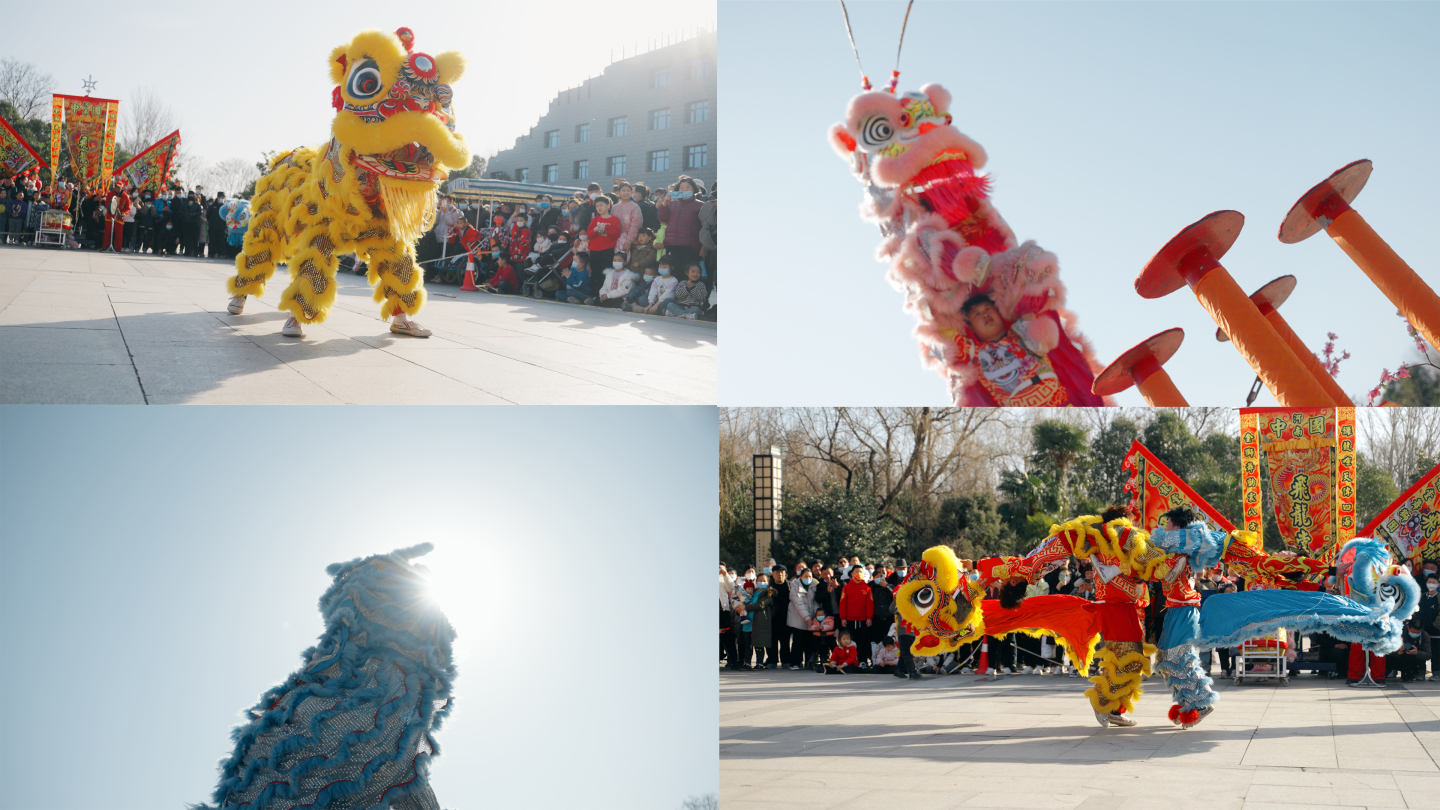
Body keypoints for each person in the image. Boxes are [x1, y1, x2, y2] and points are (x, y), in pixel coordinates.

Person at [950, 293, 1069, 407]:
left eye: (988, 309)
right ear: (971, 327)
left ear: (998, 312)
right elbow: (944, 331)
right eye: (977, 314)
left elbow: (1026, 294)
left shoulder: (1021, 329)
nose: (985, 315)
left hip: (1059, 400)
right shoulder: (972, 353)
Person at [657, 176, 704, 274]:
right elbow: (663, 219)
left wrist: (704, 246)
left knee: (688, 274)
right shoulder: (672, 203)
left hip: (690, 247)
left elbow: (704, 228)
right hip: (672, 245)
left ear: (694, 189)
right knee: (675, 274)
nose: (684, 190)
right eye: (681, 188)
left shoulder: (700, 205)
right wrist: (665, 204)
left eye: (688, 187)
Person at [585, 197, 621, 297]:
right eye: (597, 206)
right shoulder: (594, 220)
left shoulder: (614, 219)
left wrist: (607, 227)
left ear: (608, 206)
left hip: (608, 250)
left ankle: (604, 295)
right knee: (595, 272)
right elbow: (590, 234)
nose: (599, 208)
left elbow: (616, 234)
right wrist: (595, 230)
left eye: (601, 205)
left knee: (606, 273)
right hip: (594, 250)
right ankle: (594, 294)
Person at [838, 566, 873, 667]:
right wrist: (843, 618)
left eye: (861, 572)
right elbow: (843, 603)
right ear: (852, 574)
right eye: (856, 572)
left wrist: (869, 618)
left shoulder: (867, 588)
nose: (859, 573)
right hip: (850, 619)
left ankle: (863, 660)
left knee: (863, 641)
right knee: (850, 641)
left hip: (863, 620)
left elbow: (869, 604)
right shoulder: (846, 587)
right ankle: (850, 661)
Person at [786, 567, 818, 670]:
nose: (808, 578)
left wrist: (815, 616)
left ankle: (809, 662)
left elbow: (816, 602)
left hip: (812, 618)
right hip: (797, 618)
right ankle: (795, 662)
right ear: (800, 576)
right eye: (805, 576)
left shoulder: (814, 585)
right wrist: (808, 618)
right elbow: (798, 604)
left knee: (810, 642)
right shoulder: (794, 585)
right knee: (797, 641)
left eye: (810, 576)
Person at [769, 566, 791, 669]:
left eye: (782, 572)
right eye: (777, 572)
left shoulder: (790, 586)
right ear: (772, 574)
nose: (779, 574)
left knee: (785, 641)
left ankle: (786, 660)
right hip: (771, 618)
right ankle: (772, 660)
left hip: (786, 618)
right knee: (772, 641)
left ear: (785, 574)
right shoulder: (769, 586)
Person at [808, 607, 836, 672]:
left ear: (825, 615)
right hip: (818, 637)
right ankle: (812, 656)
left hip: (828, 636)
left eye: (822, 615)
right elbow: (811, 627)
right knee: (813, 644)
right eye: (818, 615)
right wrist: (816, 628)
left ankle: (835, 657)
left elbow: (831, 626)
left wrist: (823, 628)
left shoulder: (829, 619)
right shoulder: (815, 621)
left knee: (832, 644)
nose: (820, 616)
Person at [207, 192, 228, 258]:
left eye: (223, 198)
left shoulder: (224, 207)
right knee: (212, 241)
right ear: (217, 197)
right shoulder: (212, 206)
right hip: (213, 227)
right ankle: (211, 253)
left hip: (221, 227)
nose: (222, 199)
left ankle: (222, 254)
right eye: (221, 197)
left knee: (221, 241)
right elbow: (208, 215)